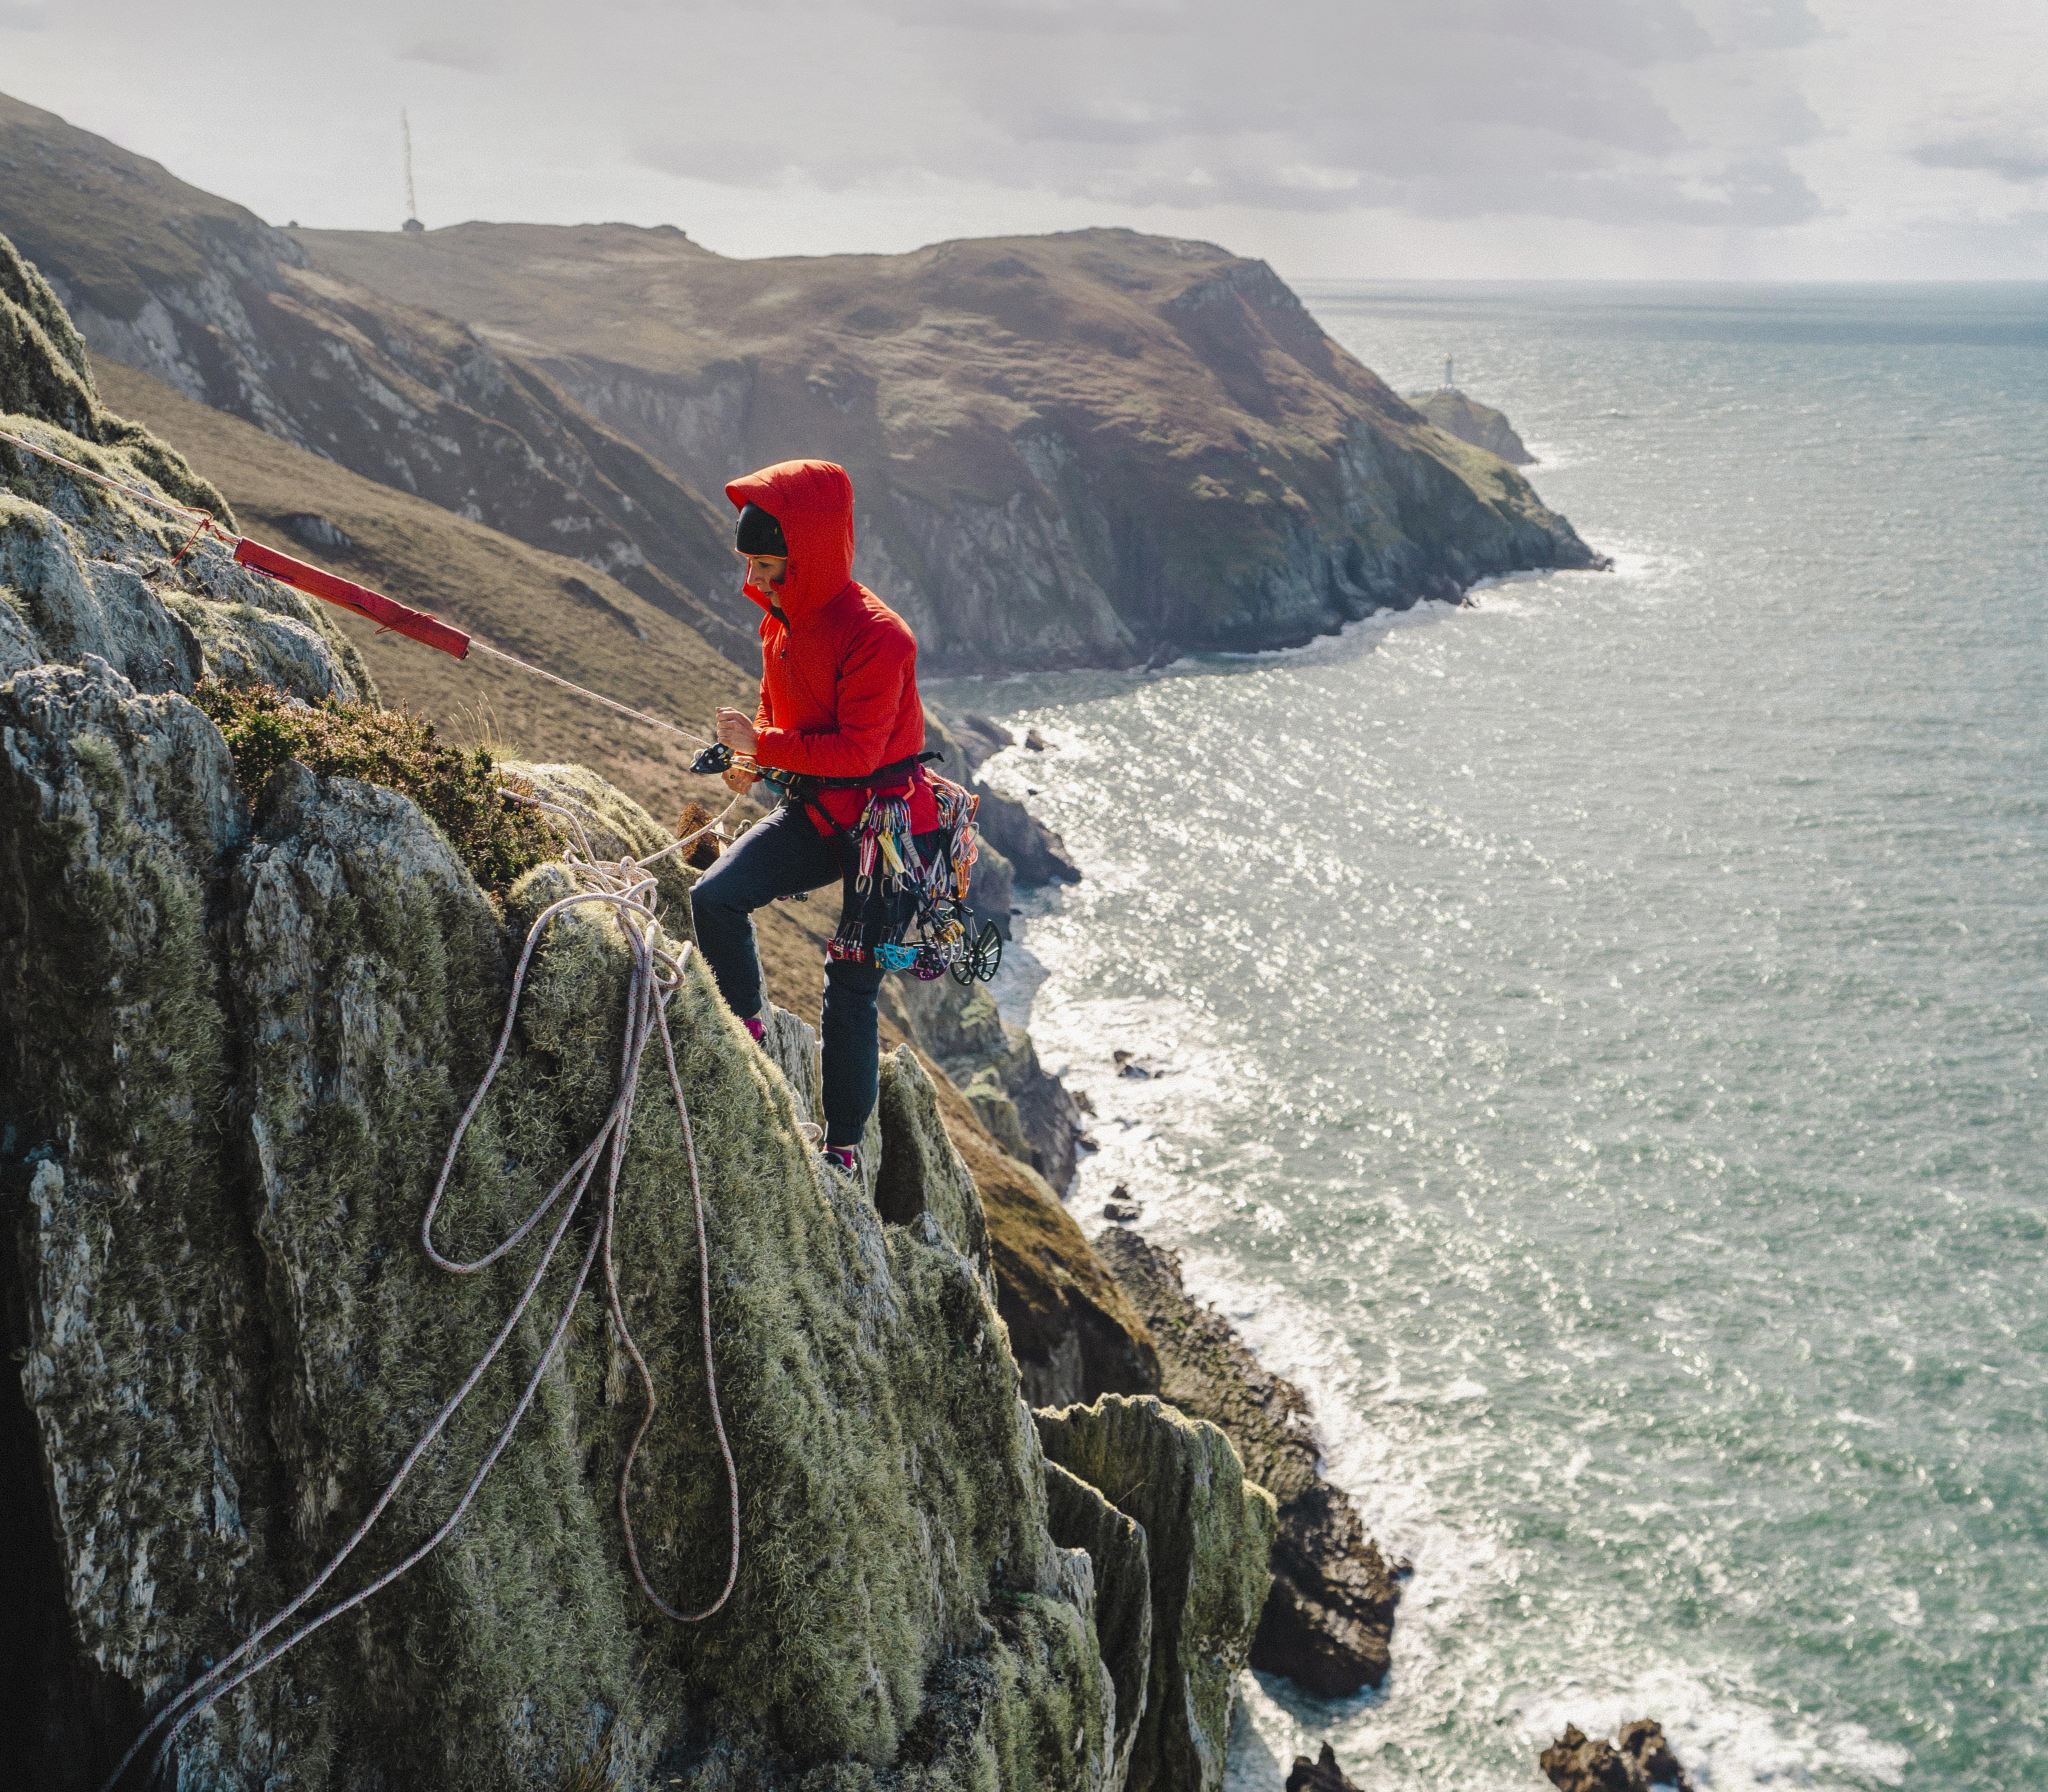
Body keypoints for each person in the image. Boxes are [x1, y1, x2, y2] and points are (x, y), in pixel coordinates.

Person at [689, 459, 946, 1176]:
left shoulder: (881, 638)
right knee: (715, 896)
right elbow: (780, 712)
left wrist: (761, 745)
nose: (762, 584)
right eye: (753, 569)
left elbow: (860, 752)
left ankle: (842, 1150)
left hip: (895, 829)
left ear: (811, 555)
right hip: (828, 813)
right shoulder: (779, 626)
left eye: (773, 568)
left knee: (851, 982)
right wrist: (754, 757)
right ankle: (747, 1032)